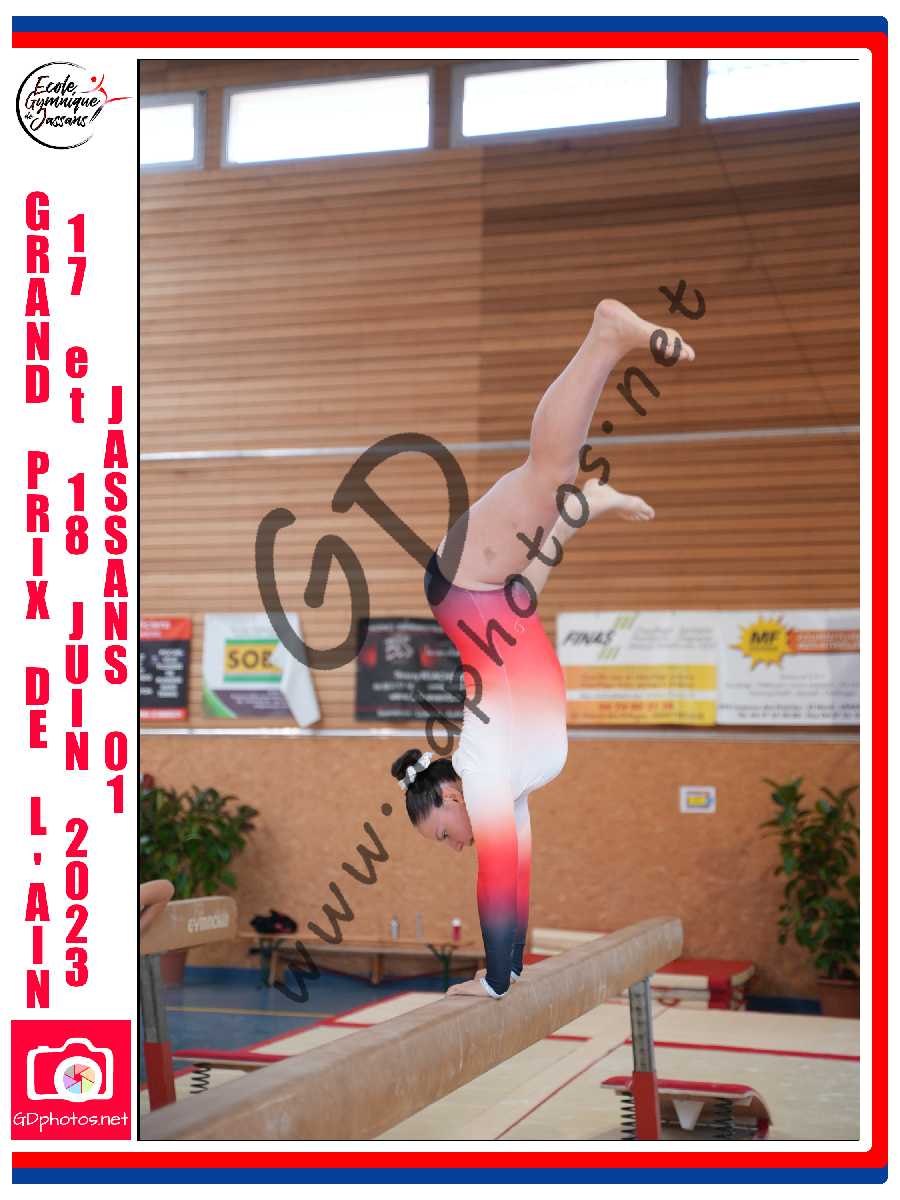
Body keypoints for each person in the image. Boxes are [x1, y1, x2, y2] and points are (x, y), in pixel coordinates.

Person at [392, 299, 695, 1000]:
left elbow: (495, 873)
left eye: (443, 833)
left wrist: (495, 984)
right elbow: (520, 870)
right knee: (554, 486)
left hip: (462, 588)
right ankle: (587, 483)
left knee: (548, 469)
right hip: (501, 599)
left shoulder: (481, 767)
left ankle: (606, 334)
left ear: (449, 795)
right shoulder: (511, 782)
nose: (456, 845)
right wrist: (512, 970)